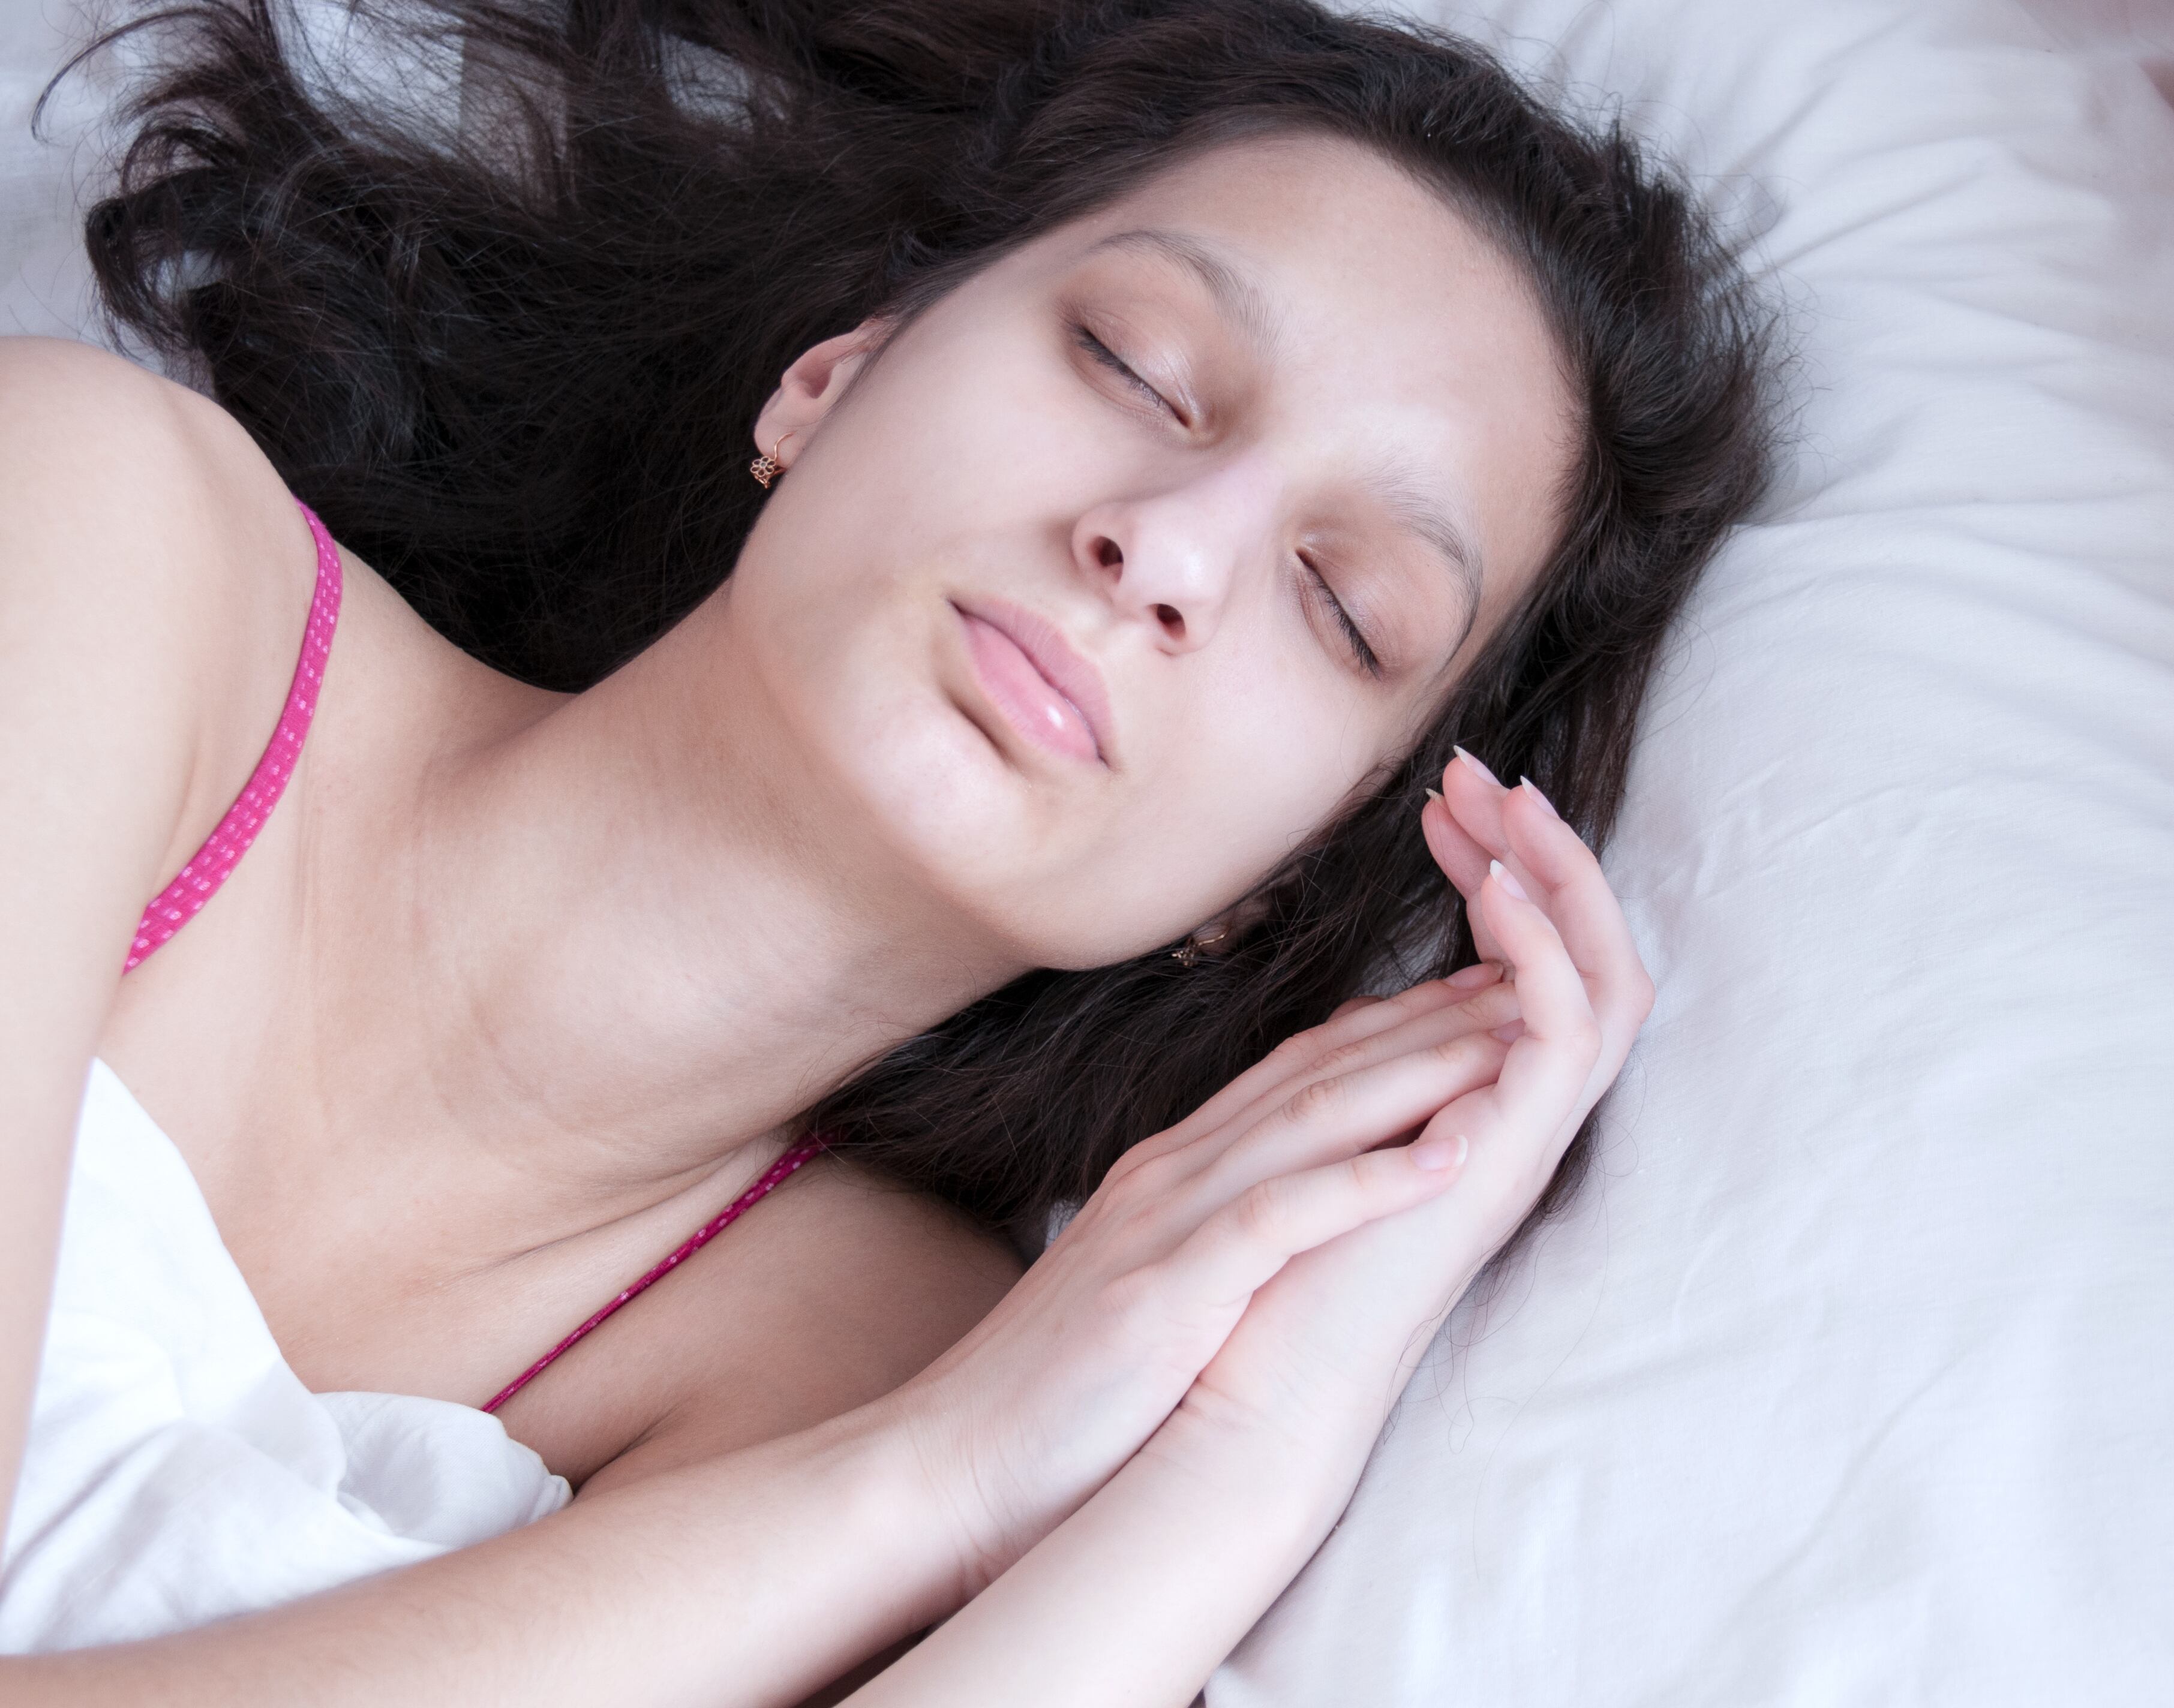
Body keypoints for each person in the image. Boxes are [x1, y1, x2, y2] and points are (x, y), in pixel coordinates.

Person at [0, 0, 1767, 1698]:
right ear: (835, 372)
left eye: (1341, 605)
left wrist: (1231, 1456)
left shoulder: (909, 1366)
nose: (1168, 553)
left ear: (1279, 880)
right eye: (1135, 367)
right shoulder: (100, 540)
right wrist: (911, 1497)